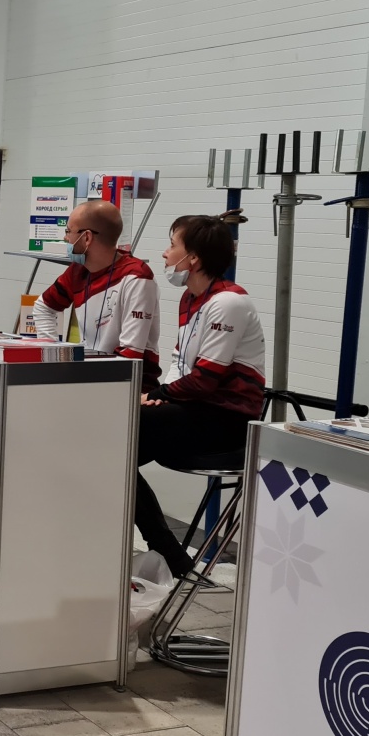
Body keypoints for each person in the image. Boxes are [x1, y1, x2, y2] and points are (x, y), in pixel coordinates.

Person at [135, 214, 267, 577]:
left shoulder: (229, 303)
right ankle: (169, 556)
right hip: (194, 410)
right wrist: (162, 397)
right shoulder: (191, 298)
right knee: (111, 455)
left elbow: (206, 379)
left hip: (227, 420)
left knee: (114, 444)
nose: (165, 254)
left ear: (192, 258)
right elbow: (180, 364)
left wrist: (158, 394)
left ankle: (170, 557)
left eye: (172, 245)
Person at [33, 199, 162, 389]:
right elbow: (43, 307)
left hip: (129, 386)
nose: (65, 238)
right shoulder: (78, 271)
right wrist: (54, 358)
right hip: (89, 378)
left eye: (68, 231)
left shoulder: (137, 277)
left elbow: (130, 355)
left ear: (86, 237)